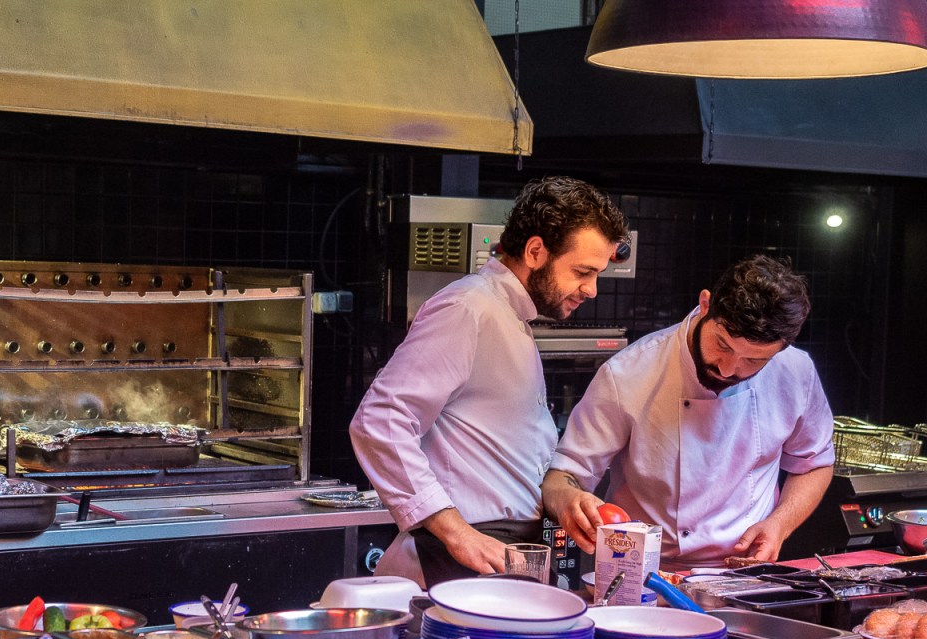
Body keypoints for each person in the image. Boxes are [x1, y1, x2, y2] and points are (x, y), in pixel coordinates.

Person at [349, 176, 630, 587]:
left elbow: (501, 463)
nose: (591, 289)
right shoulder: (467, 308)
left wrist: (565, 499)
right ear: (536, 251)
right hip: (458, 555)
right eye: (583, 272)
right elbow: (380, 420)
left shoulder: (509, 315)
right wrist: (458, 534)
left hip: (504, 551)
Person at [542, 254, 834, 571]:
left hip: (745, 570)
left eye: (754, 361)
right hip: (644, 569)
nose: (728, 369)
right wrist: (570, 502)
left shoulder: (796, 371)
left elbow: (813, 463)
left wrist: (780, 524)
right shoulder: (628, 374)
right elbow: (562, 477)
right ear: (706, 304)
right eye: (722, 344)